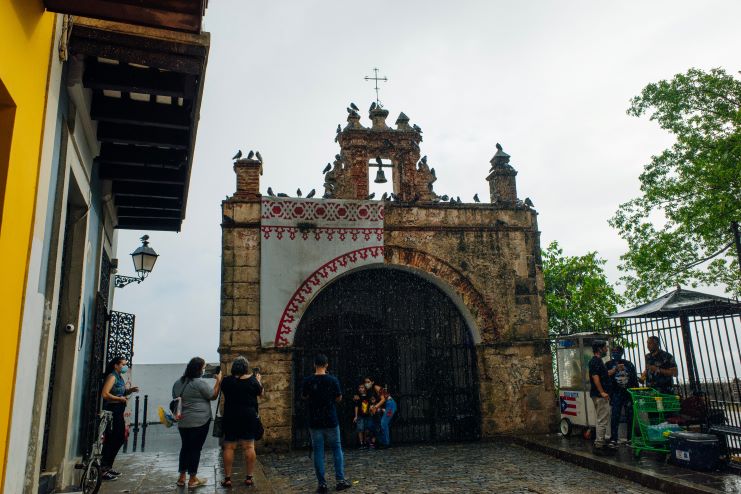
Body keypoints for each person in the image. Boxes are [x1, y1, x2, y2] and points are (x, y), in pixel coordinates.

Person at [301, 354, 351, 493]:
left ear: (314, 365)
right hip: (330, 419)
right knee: (336, 449)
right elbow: (339, 397)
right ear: (326, 365)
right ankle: (340, 480)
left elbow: (304, 396)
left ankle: (322, 484)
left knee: (318, 451)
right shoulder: (332, 380)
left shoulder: (308, 381)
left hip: (315, 420)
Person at [172, 357, 222, 489]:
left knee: (185, 448)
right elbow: (213, 395)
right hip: (199, 421)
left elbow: (175, 398)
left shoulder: (178, 383)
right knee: (195, 449)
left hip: (183, 421)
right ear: (199, 369)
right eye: (203, 367)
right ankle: (193, 479)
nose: (204, 369)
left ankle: (182, 477)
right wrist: (218, 381)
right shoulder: (199, 383)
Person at [220, 356, 264, 488]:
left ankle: (228, 479)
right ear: (246, 368)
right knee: (249, 447)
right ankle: (249, 477)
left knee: (229, 447)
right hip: (248, 417)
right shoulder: (252, 381)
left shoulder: (226, 381)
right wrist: (258, 380)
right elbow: (261, 394)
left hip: (230, 416)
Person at [100, 356, 138, 481]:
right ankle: (103, 468)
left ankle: (108, 466)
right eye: (123, 364)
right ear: (116, 365)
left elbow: (118, 391)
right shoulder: (112, 376)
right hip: (113, 410)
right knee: (114, 438)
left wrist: (128, 391)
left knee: (119, 438)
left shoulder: (119, 377)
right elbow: (105, 394)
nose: (125, 366)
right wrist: (119, 399)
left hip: (119, 411)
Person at [605, 345, 638, 446]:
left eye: (617, 351)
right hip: (615, 394)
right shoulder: (609, 364)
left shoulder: (628, 364)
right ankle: (614, 438)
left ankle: (630, 438)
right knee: (615, 416)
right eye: (613, 351)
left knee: (630, 416)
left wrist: (635, 393)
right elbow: (604, 376)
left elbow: (634, 379)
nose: (615, 353)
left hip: (628, 394)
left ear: (622, 353)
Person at [588, 340, 614, 451]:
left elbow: (604, 374)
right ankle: (599, 444)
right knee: (602, 420)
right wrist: (602, 392)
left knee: (601, 419)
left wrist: (615, 369)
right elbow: (595, 377)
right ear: (599, 349)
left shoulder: (598, 361)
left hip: (599, 394)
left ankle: (600, 442)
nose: (607, 349)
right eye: (605, 347)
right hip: (600, 395)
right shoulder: (595, 361)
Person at [365, 377, 396, 449]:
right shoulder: (371, 390)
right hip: (387, 405)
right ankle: (382, 442)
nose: (366, 384)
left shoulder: (376, 387)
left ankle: (386, 443)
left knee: (383, 423)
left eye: (368, 381)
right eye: (365, 382)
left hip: (390, 404)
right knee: (374, 424)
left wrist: (375, 407)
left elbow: (383, 399)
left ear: (372, 382)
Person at [352, 384, 372, 448]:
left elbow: (371, 404)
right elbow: (356, 406)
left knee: (366, 429)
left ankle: (366, 442)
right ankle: (361, 443)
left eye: (362, 387)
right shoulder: (358, 397)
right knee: (360, 429)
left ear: (365, 389)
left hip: (367, 415)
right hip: (360, 415)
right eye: (359, 388)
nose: (361, 389)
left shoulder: (368, 396)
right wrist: (356, 416)